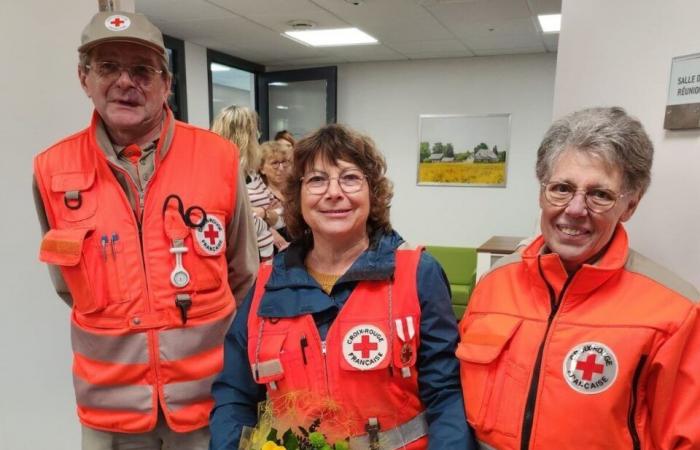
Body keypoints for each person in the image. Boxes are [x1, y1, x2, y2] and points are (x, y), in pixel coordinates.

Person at [33, 11, 258, 449]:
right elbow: (67, 285)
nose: (124, 82)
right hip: (109, 412)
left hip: (207, 404)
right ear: (84, 79)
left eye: (141, 69)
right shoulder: (52, 169)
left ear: (165, 83)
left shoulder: (218, 158)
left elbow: (244, 274)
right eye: (108, 67)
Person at [210, 124, 474, 450]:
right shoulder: (267, 283)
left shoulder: (418, 274)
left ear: (372, 193)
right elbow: (235, 394)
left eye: (350, 178)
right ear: (298, 196)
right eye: (317, 180)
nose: (334, 192)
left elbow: (446, 393)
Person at [457, 107, 700, 450]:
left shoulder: (676, 312)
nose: (575, 209)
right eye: (561, 188)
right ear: (542, 193)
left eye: (600, 195)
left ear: (630, 205)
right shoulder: (493, 285)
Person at [212, 106, 285, 258]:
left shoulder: (251, 172)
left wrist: (264, 213)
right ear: (244, 137)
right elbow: (240, 218)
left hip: (263, 253)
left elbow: (274, 212)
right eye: (255, 133)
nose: (258, 137)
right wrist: (262, 218)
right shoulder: (221, 173)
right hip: (243, 255)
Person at [259, 140, 292, 247]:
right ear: (262, 169)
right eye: (275, 163)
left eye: (284, 162)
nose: (281, 168)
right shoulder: (258, 195)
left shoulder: (297, 190)